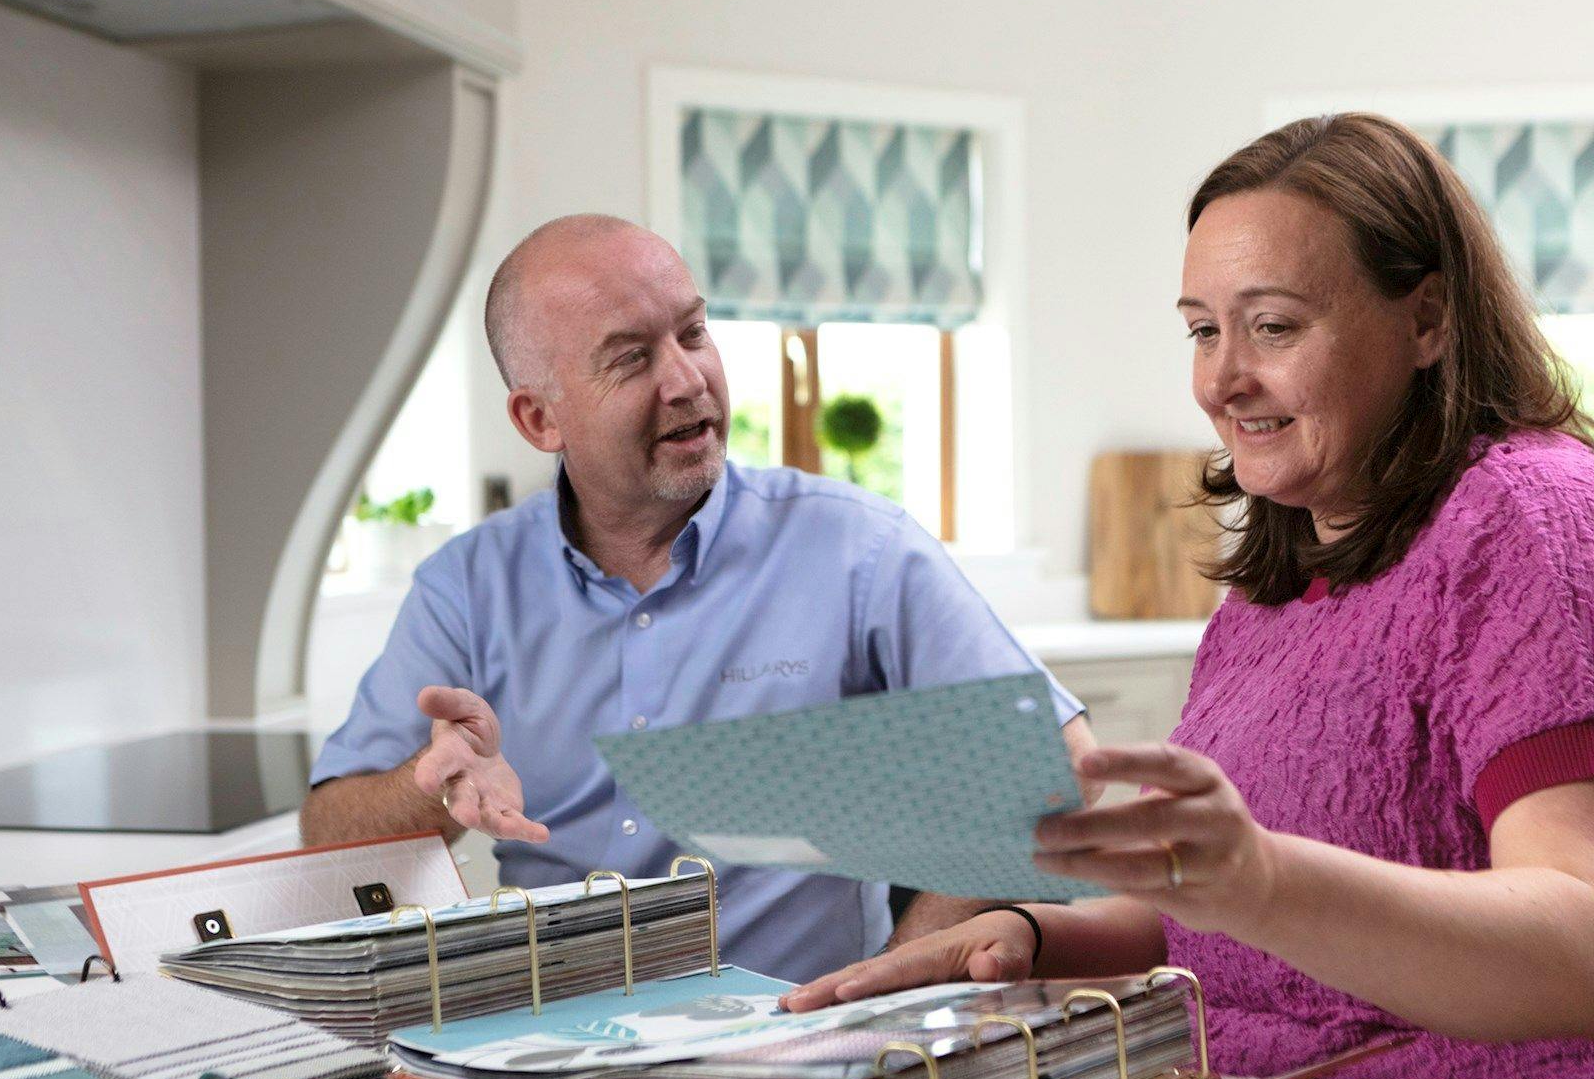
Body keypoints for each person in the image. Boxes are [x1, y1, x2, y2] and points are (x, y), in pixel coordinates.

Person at [781, 115, 1594, 1079]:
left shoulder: (1551, 537)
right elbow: (1227, 912)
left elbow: (1581, 954)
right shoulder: (1287, 577)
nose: (1221, 379)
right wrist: (1025, 934)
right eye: (1198, 330)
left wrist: (1256, 875)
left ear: (1426, 318)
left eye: (1270, 326)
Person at [301, 213, 1090, 984]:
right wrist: (427, 784)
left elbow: (1059, 763)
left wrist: (891, 976)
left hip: (792, 1059)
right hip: (551, 1051)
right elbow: (328, 833)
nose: (686, 380)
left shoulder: (857, 549)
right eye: (631, 358)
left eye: (694, 333)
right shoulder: (467, 588)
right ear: (540, 418)